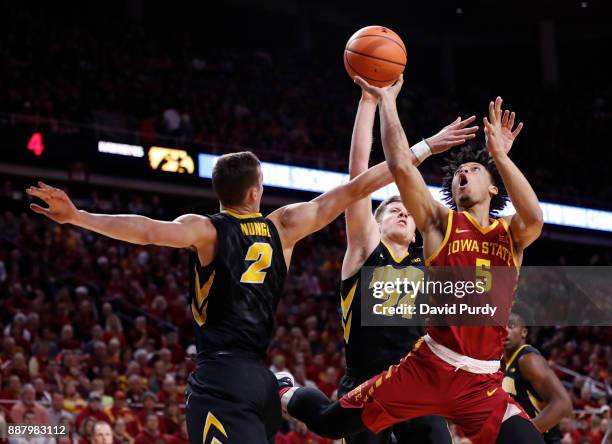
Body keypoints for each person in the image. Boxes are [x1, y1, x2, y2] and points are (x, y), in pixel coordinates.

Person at [26, 149, 395, 443]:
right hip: (259, 378)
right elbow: (355, 188)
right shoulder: (283, 226)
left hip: (220, 379)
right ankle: (285, 390)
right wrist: (417, 153)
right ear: (255, 192)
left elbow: (146, 231)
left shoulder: (205, 230)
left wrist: (78, 216)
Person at [278, 78, 546, 444]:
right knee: (329, 423)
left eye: (473, 170)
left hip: (479, 379)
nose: (461, 174)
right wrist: (385, 101)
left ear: (494, 187)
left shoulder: (506, 236)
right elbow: (395, 169)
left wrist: (499, 155)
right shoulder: (427, 229)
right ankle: (287, 391)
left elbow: (534, 219)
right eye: (456, 174)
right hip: (415, 371)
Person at [331, 80, 477, 443]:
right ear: (376, 224)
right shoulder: (365, 249)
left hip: (416, 381)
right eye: (392, 210)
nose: (402, 213)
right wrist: (369, 103)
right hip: (365, 379)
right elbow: (358, 177)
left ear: (415, 231)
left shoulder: (425, 258)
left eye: (406, 212)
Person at [503, 313, 572, 443]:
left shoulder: (528, 359)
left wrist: (525, 436)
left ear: (524, 332)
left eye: (511, 326)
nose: (505, 330)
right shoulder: (503, 363)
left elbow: (563, 404)